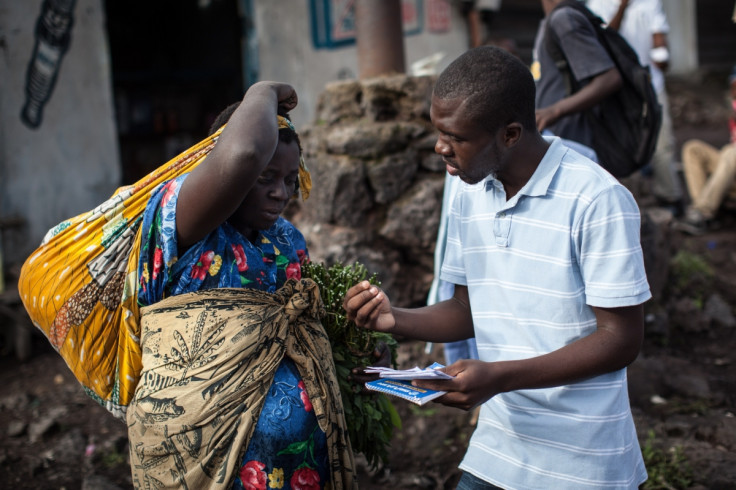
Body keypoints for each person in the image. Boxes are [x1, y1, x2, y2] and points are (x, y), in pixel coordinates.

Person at [344, 46, 651, 489]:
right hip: (498, 450)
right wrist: (398, 320)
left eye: (457, 137)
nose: (440, 146)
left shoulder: (597, 200)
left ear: (510, 134)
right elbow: (469, 307)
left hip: (583, 464)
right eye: (438, 131)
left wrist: (501, 377)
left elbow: (621, 340)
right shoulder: (470, 192)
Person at [126, 82, 357, 489]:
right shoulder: (187, 225)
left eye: (289, 178)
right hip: (201, 455)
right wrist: (265, 91)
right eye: (265, 177)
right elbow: (244, 152)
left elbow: (303, 333)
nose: (281, 192)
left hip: (293, 469)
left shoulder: (287, 240)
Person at [585, 0, 684, 214]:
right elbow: (604, 38)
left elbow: (659, 36)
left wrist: (662, 53)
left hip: (650, 84)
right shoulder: (597, 4)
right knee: (618, 141)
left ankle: (670, 196)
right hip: (616, 88)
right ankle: (616, 201)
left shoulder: (650, 2)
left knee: (662, 143)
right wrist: (622, 7)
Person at [532, 0, 623, 161]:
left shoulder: (564, 20)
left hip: (573, 141)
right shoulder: (551, 19)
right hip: (555, 138)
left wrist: (554, 111)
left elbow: (610, 78)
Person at [676, 69, 736, 234]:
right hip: (730, 171)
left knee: (731, 152)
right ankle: (702, 215)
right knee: (693, 148)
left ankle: (702, 211)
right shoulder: (733, 107)